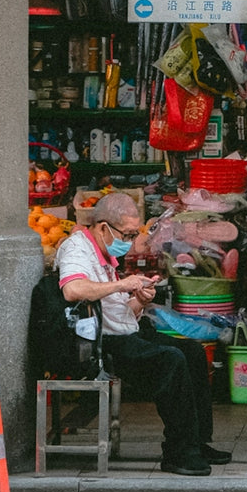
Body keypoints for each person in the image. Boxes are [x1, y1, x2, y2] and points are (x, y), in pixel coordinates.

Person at [56, 192, 231, 476]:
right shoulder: (78, 250)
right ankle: (178, 451)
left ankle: (197, 442)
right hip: (103, 343)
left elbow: (119, 310)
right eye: (125, 234)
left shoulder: (105, 257)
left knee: (193, 353)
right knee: (170, 360)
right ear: (103, 228)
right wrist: (121, 285)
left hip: (127, 332)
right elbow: (73, 290)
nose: (129, 240)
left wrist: (140, 299)